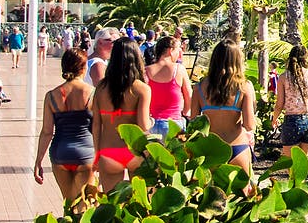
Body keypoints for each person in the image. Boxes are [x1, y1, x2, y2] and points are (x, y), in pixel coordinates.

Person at [32, 49, 96, 203]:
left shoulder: (51, 96)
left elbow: (47, 132)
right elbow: (97, 128)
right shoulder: (92, 93)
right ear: (83, 67)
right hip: (85, 153)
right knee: (84, 205)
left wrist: (38, 160)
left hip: (60, 154)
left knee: (68, 203)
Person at [91, 38, 152, 187]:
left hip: (109, 150)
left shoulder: (101, 88)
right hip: (134, 151)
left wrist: (97, 154)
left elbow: (96, 126)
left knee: (111, 204)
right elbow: (144, 126)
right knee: (140, 204)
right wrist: (152, 121)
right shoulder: (141, 89)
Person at [192, 41, 258, 170]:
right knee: (242, 190)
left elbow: (193, 123)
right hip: (238, 147)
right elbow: (249, 125)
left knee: (212, 190)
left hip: (211, 151)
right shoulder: (244, 87)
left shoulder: (199, 88)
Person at [273, 46, 308, 158]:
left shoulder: (284, 77)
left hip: (291, 122)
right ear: (306, 59)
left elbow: (279, 104)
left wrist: (274, 119)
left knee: (290, 162)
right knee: (302, 162)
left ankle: (292, 176)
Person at [145, 36, 191, 138]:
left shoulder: (146, 71)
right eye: (178, 49)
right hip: (173, 124)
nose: (179, 52)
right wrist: (186, 112)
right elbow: (189, 96)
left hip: (150, 124)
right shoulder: (179, 69)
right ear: (170, 50)